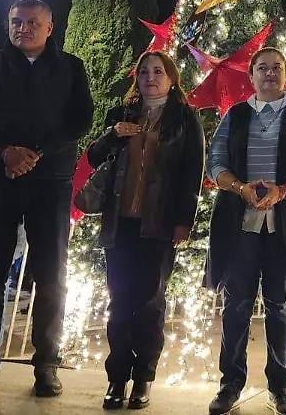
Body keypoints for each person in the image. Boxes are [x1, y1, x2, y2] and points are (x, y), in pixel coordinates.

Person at [0, 0, 93, 399]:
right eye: (16, 22)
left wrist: (33, 153)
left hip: (50, 182)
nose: (23, 28)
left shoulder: (70, 67)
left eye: (33, 22)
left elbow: (79, 119)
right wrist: (4, 153)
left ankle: (46, 364)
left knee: (51, 275)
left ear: (50, 27)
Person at [206, 47, 286, 415]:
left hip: (284, 226)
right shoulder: (236, 114)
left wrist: (283, 190)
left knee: (280, 306)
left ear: (285, 73)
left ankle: (280, 385)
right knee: (236, 305)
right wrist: (240, 188)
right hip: (240, 224)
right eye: (262, 68)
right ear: (252, 76)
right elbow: (216, 160)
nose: (269, 74)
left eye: (276, 68)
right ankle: (230, 384)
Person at [88, 50, 205, 410]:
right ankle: (116, 378)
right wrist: (113, 134)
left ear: (171, 78)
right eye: (144, 71)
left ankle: (143, 379)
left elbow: (192, 173)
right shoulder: (121, 114)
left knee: (151, 303)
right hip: (120, 224)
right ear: (136, 78)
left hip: (159, 226)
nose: (150, 77)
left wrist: (184, 221)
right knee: (119, 303)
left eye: (158, 71)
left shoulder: (185, 118)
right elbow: (93, 157)